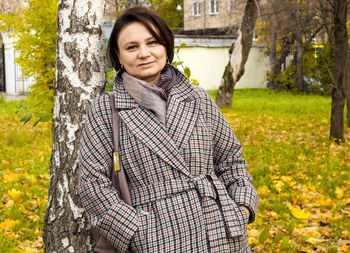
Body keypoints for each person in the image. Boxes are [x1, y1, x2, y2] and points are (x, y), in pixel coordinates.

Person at [78, 6, 258, 253]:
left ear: (165, 47)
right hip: (157, 240)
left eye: (152, 42)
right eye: (132, 47)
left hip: (221, 233)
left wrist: (242, 207)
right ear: (118, 56)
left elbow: (231, 160)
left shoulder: (197, 98)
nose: (144, 53)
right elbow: (92, 185)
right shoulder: (106, 110)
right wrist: (136, 233)